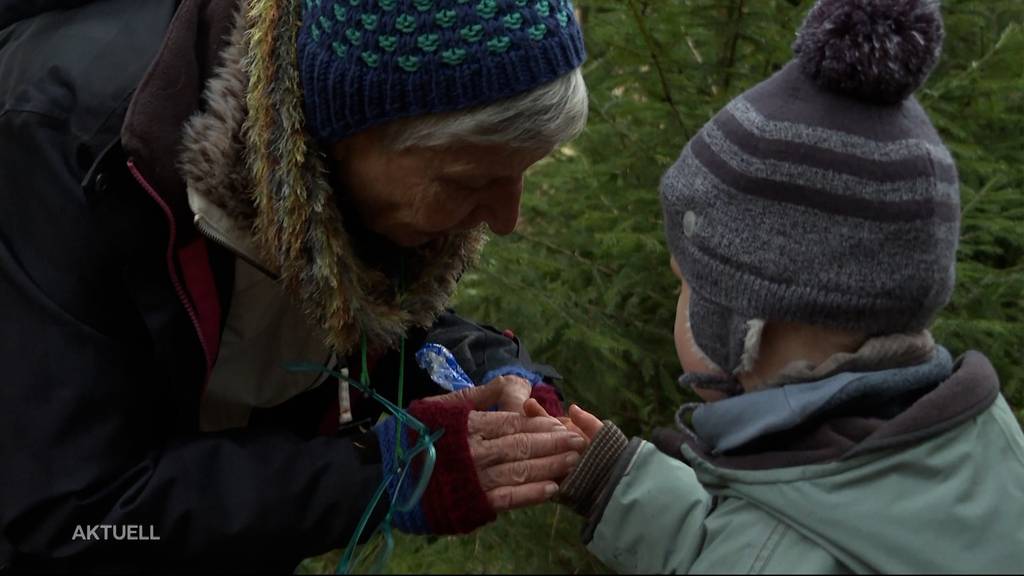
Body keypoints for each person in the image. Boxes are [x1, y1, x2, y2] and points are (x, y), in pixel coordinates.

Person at [0, 0, 589, 571]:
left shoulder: (321, 153)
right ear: (349, 131)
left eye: (521, 175)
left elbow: (374, 319)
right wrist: (379, 474)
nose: (506, 220)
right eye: (470, 181)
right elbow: (72, 513)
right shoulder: (79, 156)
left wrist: (489, 370)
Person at [531, 0, 1024, 572]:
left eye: (687, 286)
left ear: (741, 328)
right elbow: (794, 529)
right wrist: (616, 485)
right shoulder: (981, 451)